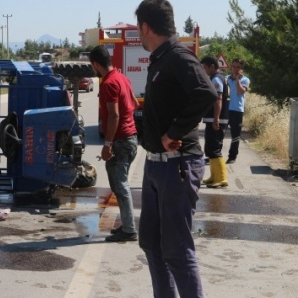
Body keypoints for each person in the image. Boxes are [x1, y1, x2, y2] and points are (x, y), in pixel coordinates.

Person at [135, 1, 216, 297]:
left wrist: (174, 131)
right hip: (156, 165)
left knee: (177, 251)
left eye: (138, 30)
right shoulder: (160, 59)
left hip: (177, 165)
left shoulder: (178, 56)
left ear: (146, 27)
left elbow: (205, 92)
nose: (139, 37)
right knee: (152, 244)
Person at [89, 45, 139, 243]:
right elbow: (134, 104)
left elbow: (114, 115)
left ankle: (129, 229)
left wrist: (108, 143)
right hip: (131, 138)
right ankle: (126, 226)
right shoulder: (122, 78)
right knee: (119, 185)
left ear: (95, 64)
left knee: (121, 186)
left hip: (121, 141)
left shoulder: (109, 83)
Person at [200, 56, 229, 188]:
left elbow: (218, 99)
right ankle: (214, 176)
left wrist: (216, 118)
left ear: (212, 66)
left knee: (215, 148)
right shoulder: (216, 77)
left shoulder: (217, 78)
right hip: (212, 118)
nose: (204, 70)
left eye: (205, 67)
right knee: (210, 148)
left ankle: (221, 178)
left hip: (216, 119)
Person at [226, 58, 251, 164]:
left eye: (238, 67)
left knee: (235, 135)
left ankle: (232, 156)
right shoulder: (226, 79)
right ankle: (215, 155)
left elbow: (240, 92)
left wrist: (238, 80)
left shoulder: (245, 80)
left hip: (236, 110)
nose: (235, 69)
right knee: (219, 133)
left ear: (241, 69)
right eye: (234, 66)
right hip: (225, 110)